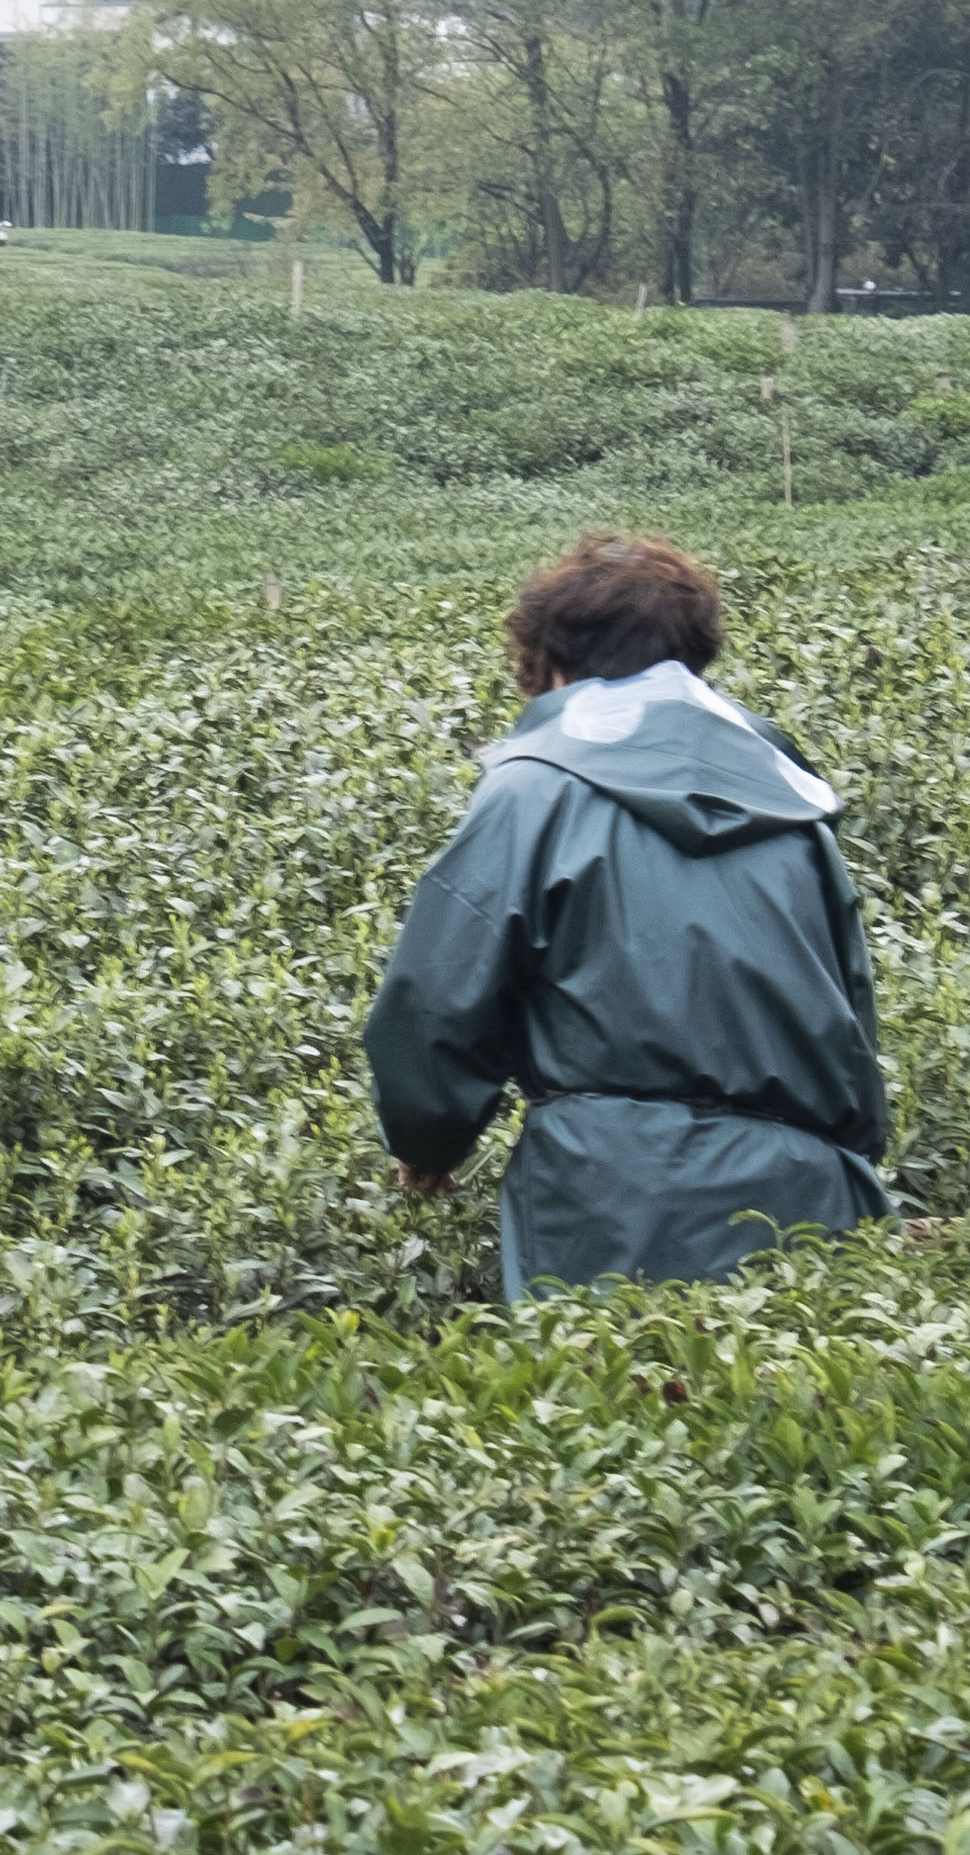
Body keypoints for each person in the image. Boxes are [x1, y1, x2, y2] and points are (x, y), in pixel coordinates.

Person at [365, 531, 891, 1294]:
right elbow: (851, 1006)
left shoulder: (532, 792)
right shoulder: (792, 798)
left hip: (605, 1199)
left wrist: (427, 1140)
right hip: (811, 1193)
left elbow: (439, 997)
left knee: (618, 1400)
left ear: (552, 663)